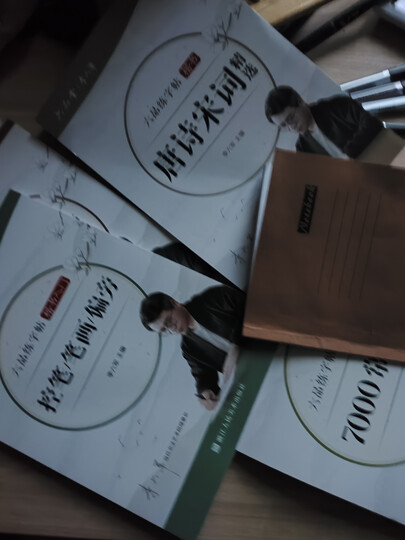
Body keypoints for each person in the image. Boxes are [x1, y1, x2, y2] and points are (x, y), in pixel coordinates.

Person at [140, 285, 245, 411]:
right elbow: (203, 375)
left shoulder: (212, 298)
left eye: (169, 321)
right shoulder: (188, 349)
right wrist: (206, 392)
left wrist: (236, 344)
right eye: (164, 330)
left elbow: (248, 307)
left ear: (175, 303)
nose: (172, 329)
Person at [264, 85, 384, 159]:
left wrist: (349, 155)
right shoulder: (302, 148)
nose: (291, 127)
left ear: (300, 101)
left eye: (290, 118)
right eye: (284, 125)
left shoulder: (336, 106)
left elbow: (372, 122)